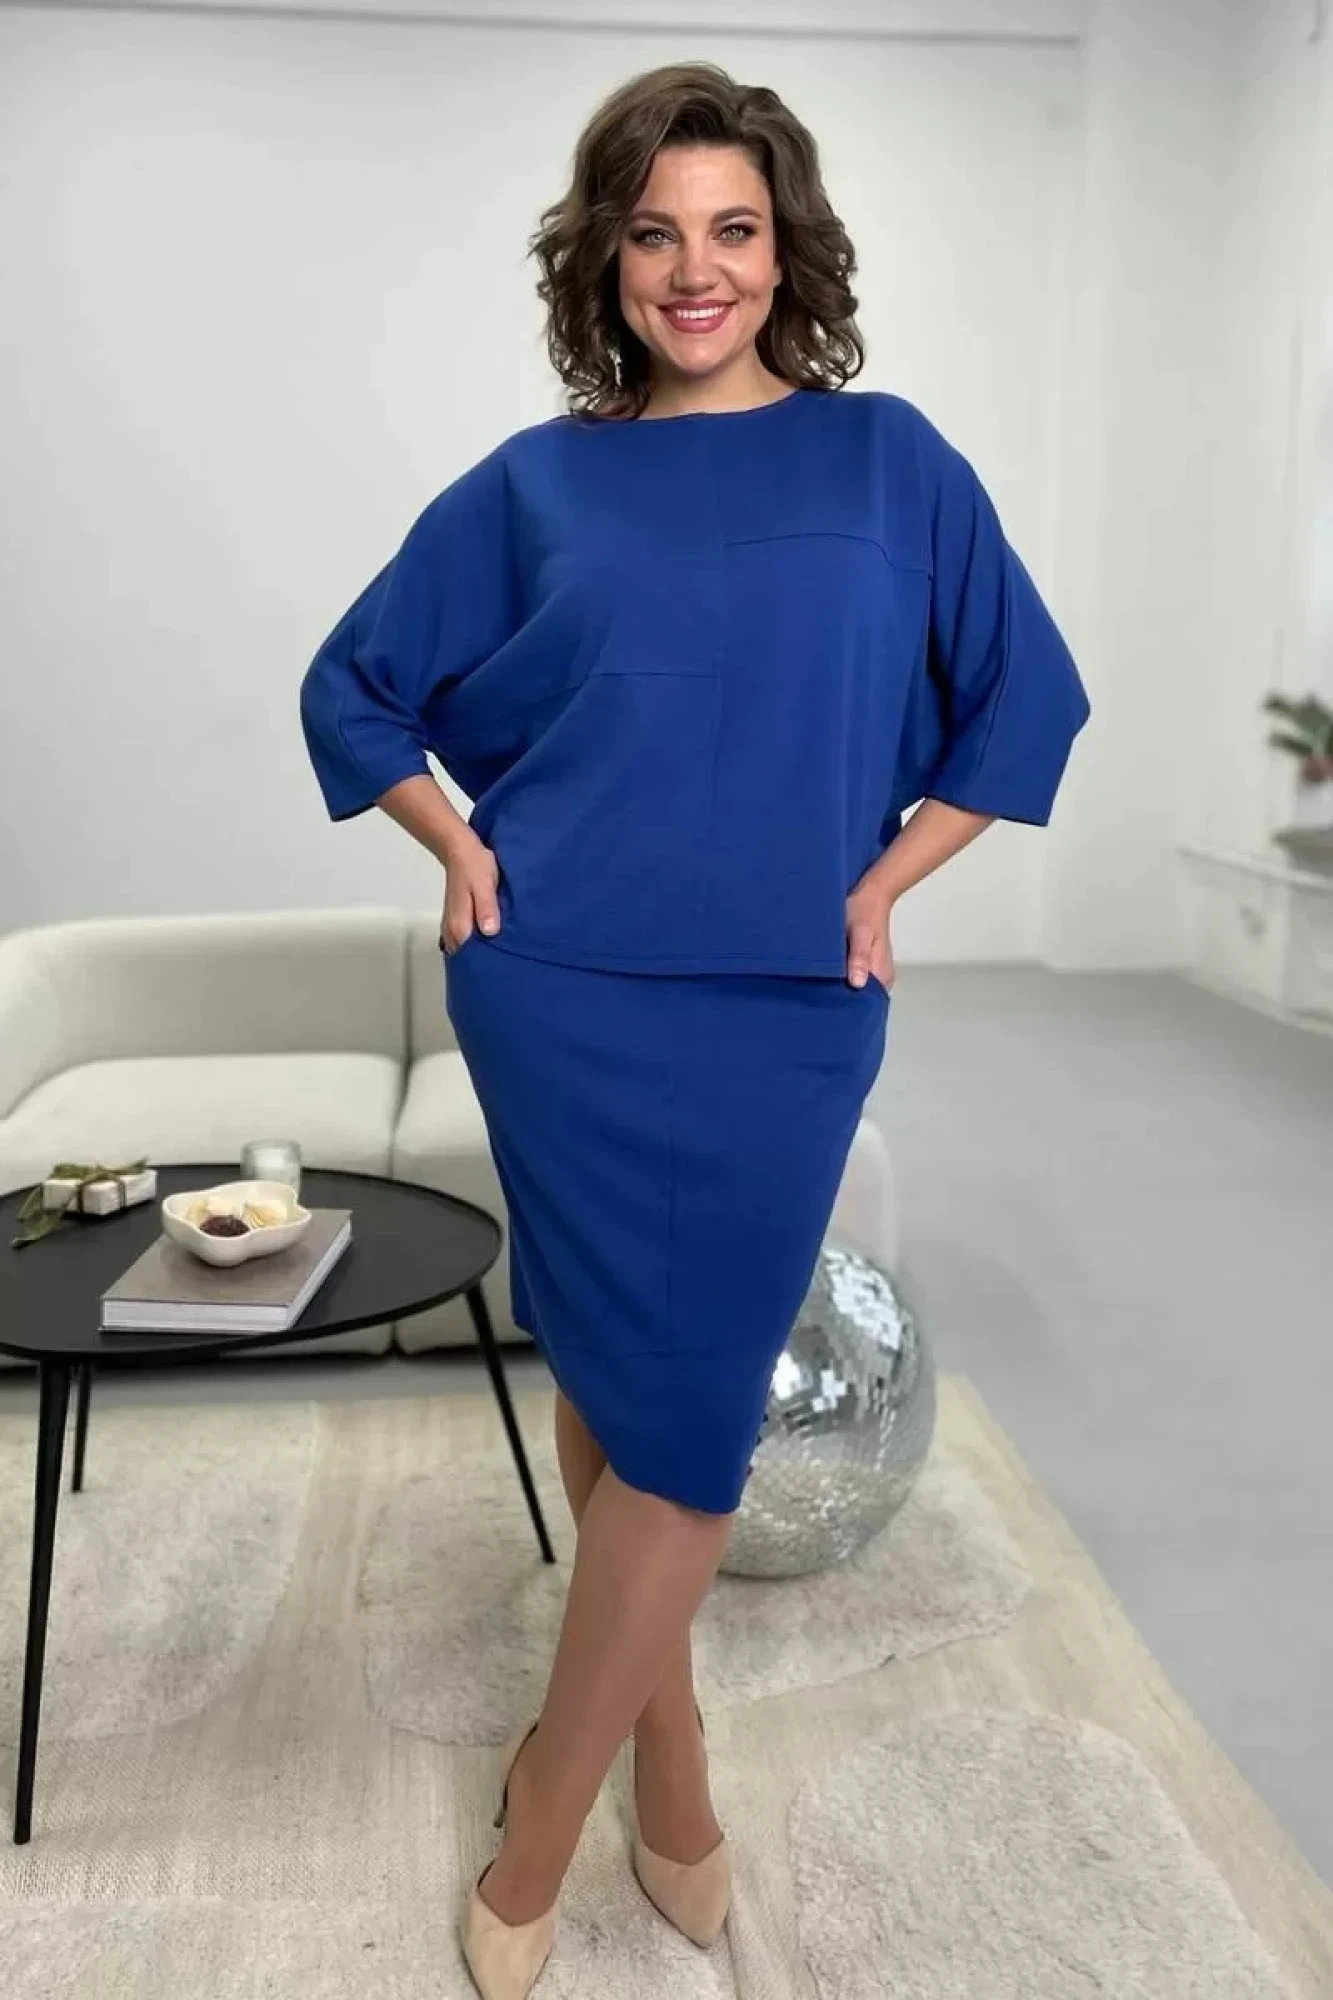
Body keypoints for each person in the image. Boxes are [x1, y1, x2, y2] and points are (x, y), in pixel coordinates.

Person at [299, 59, 1090, 2000]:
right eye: (654, 232)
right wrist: (456, 845)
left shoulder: (891, 463)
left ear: (787, 250)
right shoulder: (539, 482)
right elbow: (354, 685)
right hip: (560, 989)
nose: (695, 268)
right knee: (618, 1371)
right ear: (607, 259)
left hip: (785, 1005)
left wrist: (888, 881)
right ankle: (657, 1773)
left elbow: (1029, 698)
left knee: (689, 1413)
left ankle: (546, 1805)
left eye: (733, 228)